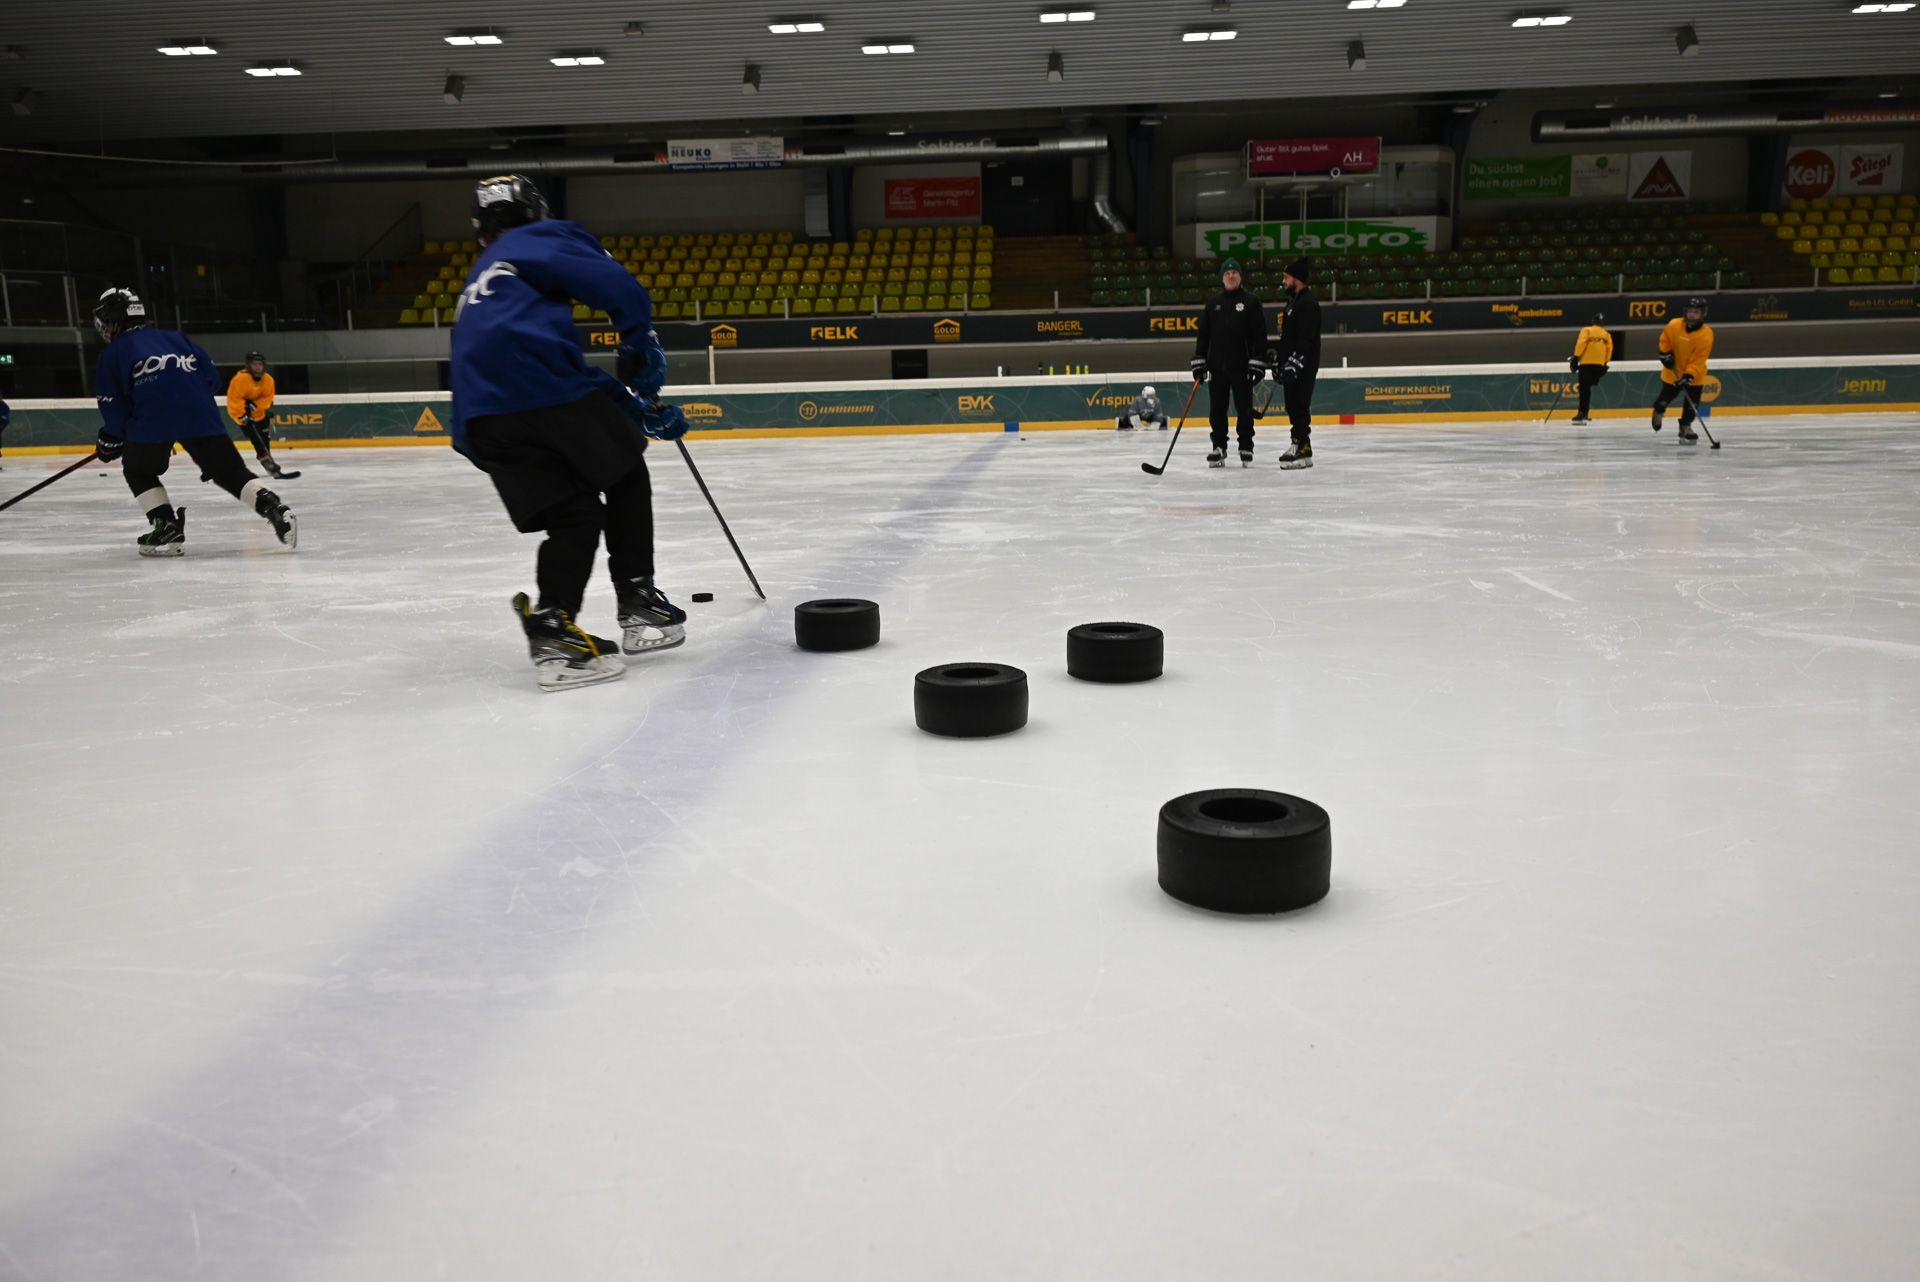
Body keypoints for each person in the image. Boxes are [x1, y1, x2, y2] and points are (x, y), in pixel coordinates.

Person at [450, 173, 691, 693]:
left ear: (481, 230)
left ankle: (554, 624)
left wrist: (622, 400)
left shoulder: (482, 272)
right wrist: (638, 345)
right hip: (538, 385)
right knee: (626, 469)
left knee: (574, 515)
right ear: (535, 211)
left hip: (480, 417)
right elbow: (619, 289)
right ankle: (637, 597)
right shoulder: (543, 236)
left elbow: (515, 357)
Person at [90, 287, 295, 557]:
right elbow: (211, 378)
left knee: (139, 471)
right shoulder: (176, 338)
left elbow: (113, 406)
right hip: (200, 414)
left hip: (151, 420)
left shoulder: (113, 354)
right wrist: (184, 399)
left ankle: (165, 525)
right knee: (229, 471)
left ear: (112, 319)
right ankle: (273, 506)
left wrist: (110, 438)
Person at [1190, 257, 1270, 467]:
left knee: (1244, 409)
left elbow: (1259, 336)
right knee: (1217, 410)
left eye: (1235, 272)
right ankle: (1219, 447)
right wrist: (1199, 361)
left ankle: (1246, 446)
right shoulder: (1213, 304)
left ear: (1240, 276)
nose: (1231, 275)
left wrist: (1257, 362)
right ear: (1222, 278)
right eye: (1227, 273)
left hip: (1242, 367)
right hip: (1217, 367)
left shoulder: (1251, 302)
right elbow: (1203, 336)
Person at [1273, 257, 1322, 470]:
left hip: (1303, 365)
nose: (1283, 281)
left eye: (1286, 277)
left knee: (1299, 405)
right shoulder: (1293, 302)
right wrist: (1279, 359)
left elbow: (1307, 338)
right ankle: (1301, 444)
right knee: (1292, 405)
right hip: (1292, 364)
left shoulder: (1308, 303)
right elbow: (1288, 338)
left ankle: (1301, 446)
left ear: (1297, 279)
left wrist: (1296, 361)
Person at [223, 350, 297, 480]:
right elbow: (234, 399)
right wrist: (241, 414)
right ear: (248, 365)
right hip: (242, 415)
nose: (258, 367)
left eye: (260, 364)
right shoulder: (240, 379)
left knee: (264, 439)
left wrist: (255, 405)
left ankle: (269, 463)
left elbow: (268, 398)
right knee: (257, 440)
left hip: (260, 415)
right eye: (254, 364)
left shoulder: (268, 380)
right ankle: (270, 464)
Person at [1651, 297, 1714, 444]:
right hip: (1672, 372)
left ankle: (1686, 427)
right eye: (1690, 311)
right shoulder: (1674, 324)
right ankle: (1658, 411)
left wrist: (1689, 375)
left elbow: (1699, 359)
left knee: (1691, 405)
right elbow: (1664, 340)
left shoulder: (1706, 334)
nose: (1692, 314)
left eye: (1696, 312)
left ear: (1702, 314)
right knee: (1662, 401)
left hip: (1694, 376)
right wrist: (1664, 354)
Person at [1567, 312, 1612, 426]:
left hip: (1587, 363)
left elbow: (1581, 343)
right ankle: (1585, 413)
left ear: (1593, 321)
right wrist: (1605, 363)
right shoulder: (1606, 334)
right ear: (1602, 323)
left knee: (1584, 389)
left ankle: (1582, 413)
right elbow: (1609, 349)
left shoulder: (1586, 330)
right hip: (1599, 365)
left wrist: (1576, 358)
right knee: (1587, 388)